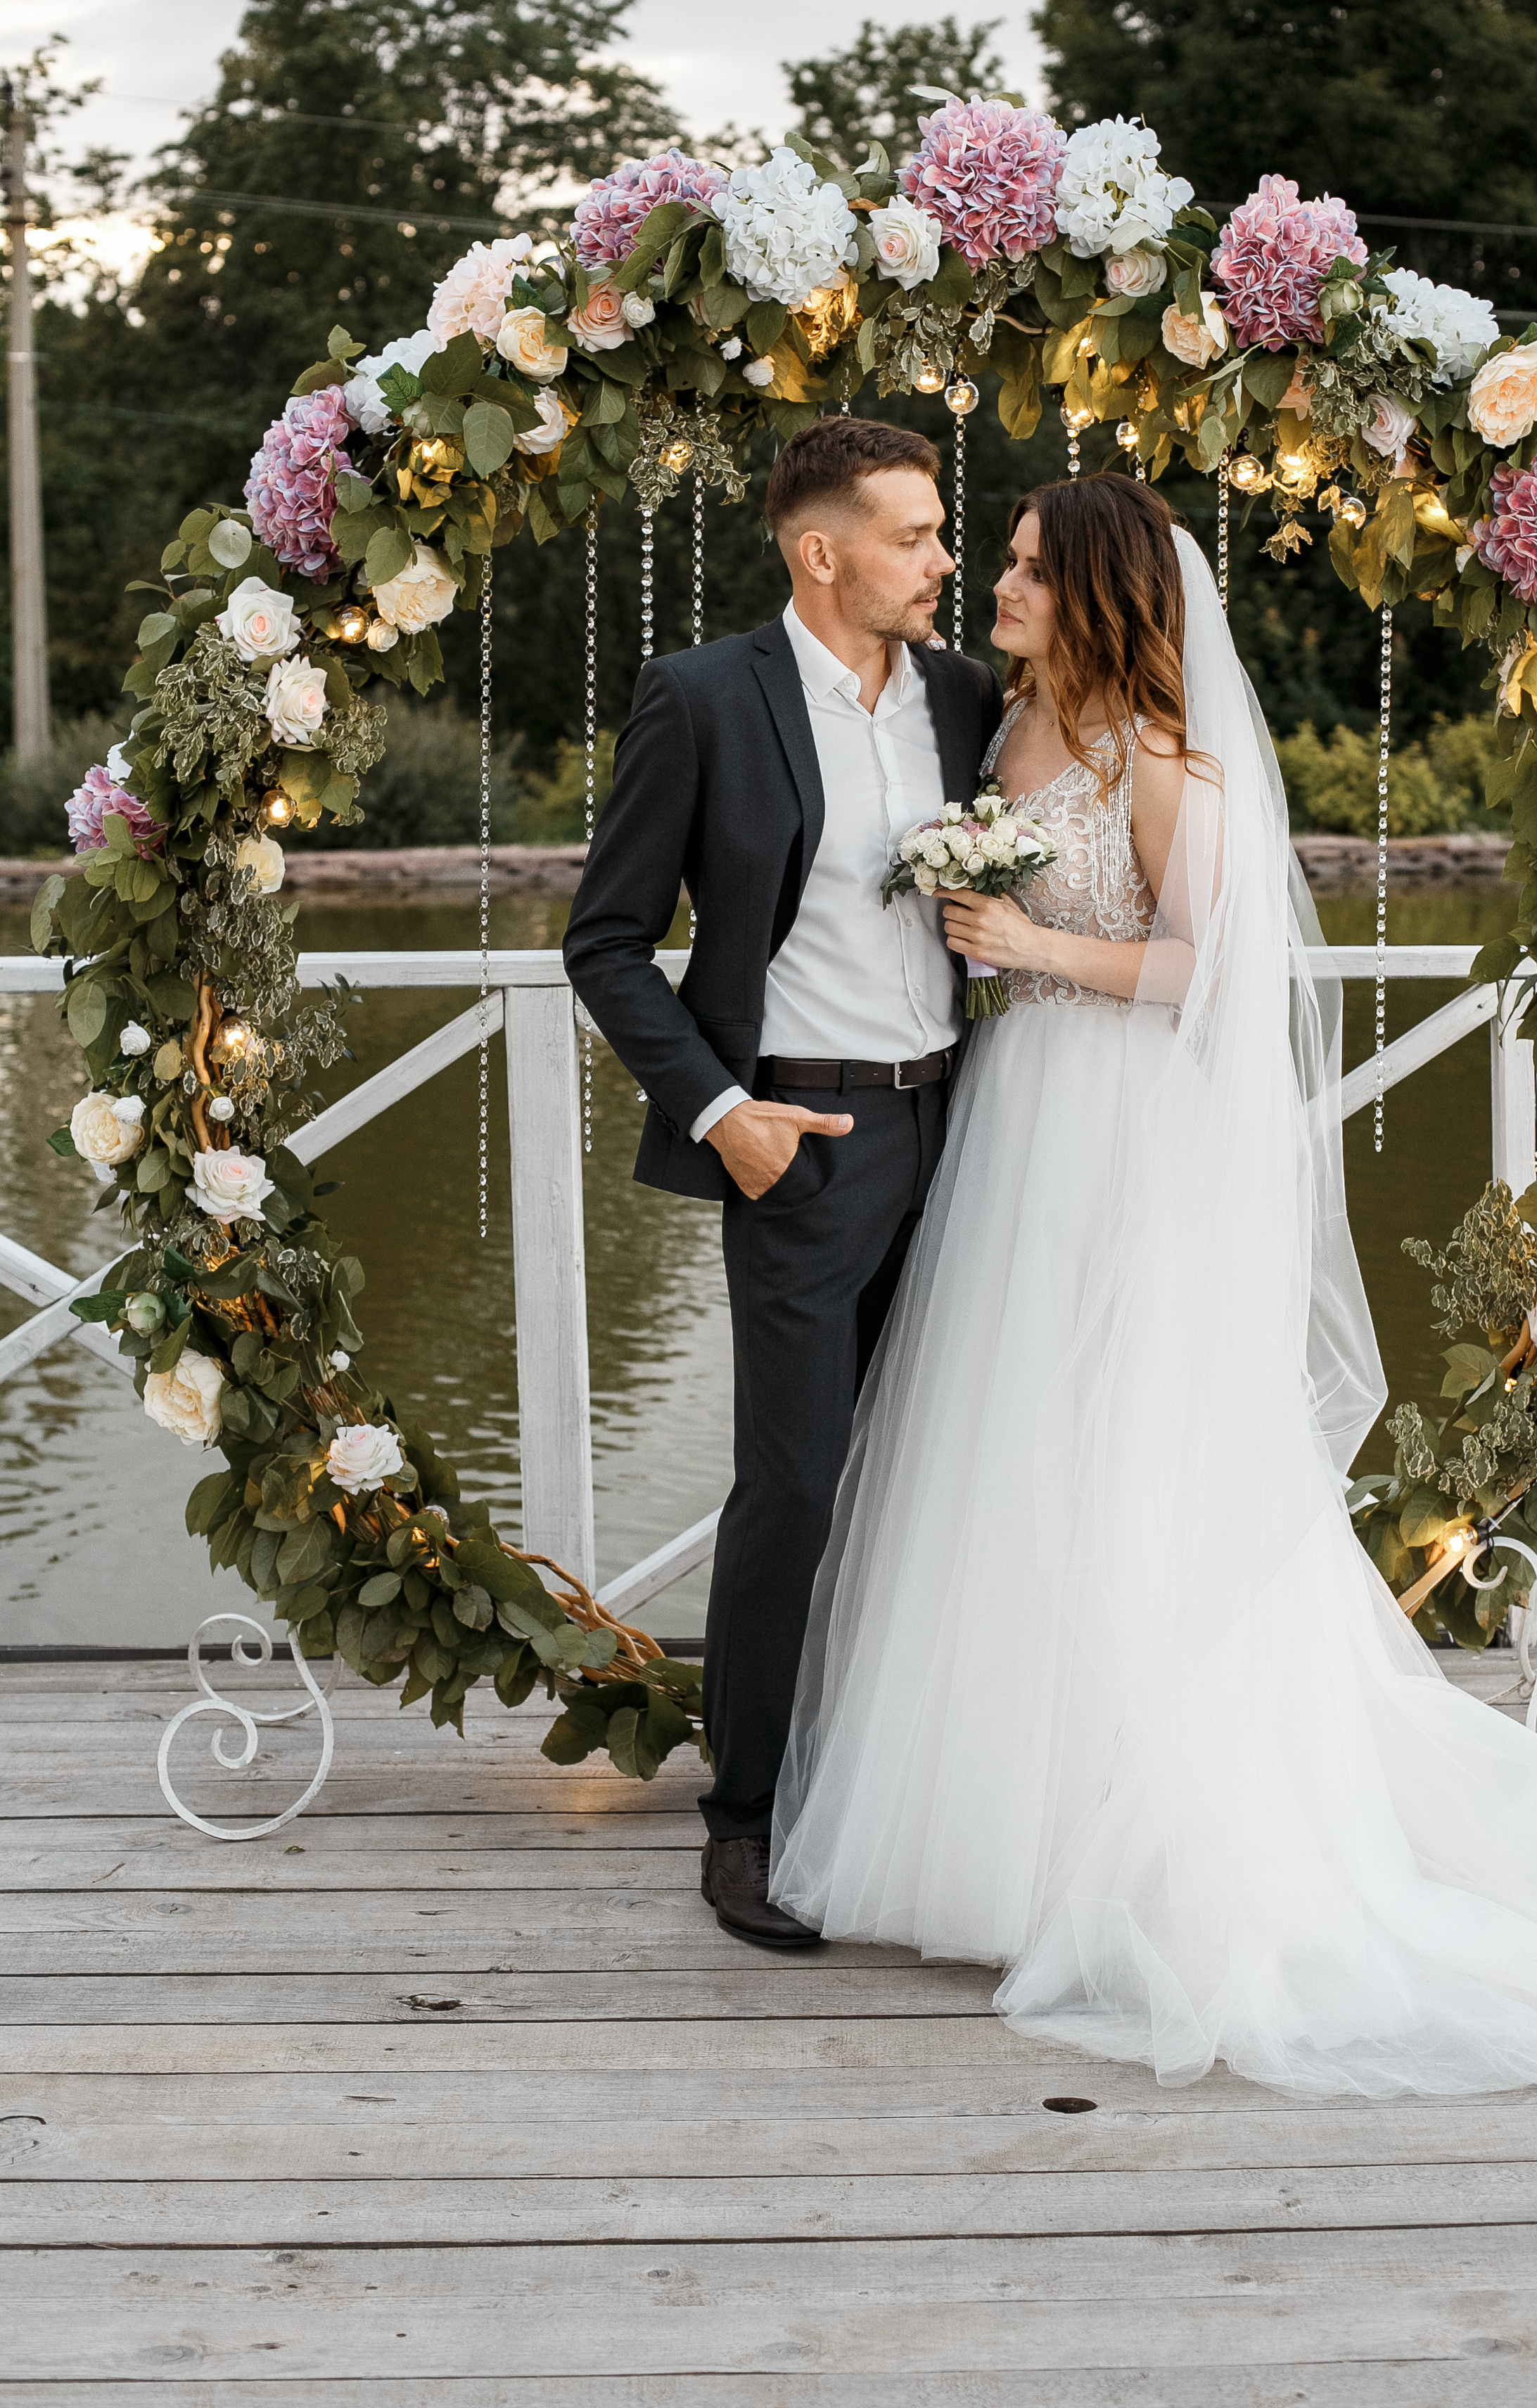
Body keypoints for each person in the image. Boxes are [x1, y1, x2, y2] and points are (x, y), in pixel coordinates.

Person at [770, 474, 1537, 2098]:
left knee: (1130, 1449)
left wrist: (1031, 947)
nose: (993, 585)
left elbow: (1217, 967)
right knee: (1015, 1449)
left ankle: (1151, 1818)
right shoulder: (1002, 737)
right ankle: (1010, 1817)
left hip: (1121, 1133)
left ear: (1100, 597)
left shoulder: (1160, 760)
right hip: (1015, 1129)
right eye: (991, 564)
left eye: (1025, 571)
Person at [563, 416, 1002, 1951]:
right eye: (913, 534)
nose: (940, 558)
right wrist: (720, 1112)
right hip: (803, 1146)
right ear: (821, 554)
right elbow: (603, 943)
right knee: (798, 1486)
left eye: (943, 533)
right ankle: (745, 1820)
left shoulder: (966, 696)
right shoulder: (699, 700)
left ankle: (909, 1780)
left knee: (951, 1475)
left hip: (970, 1132)